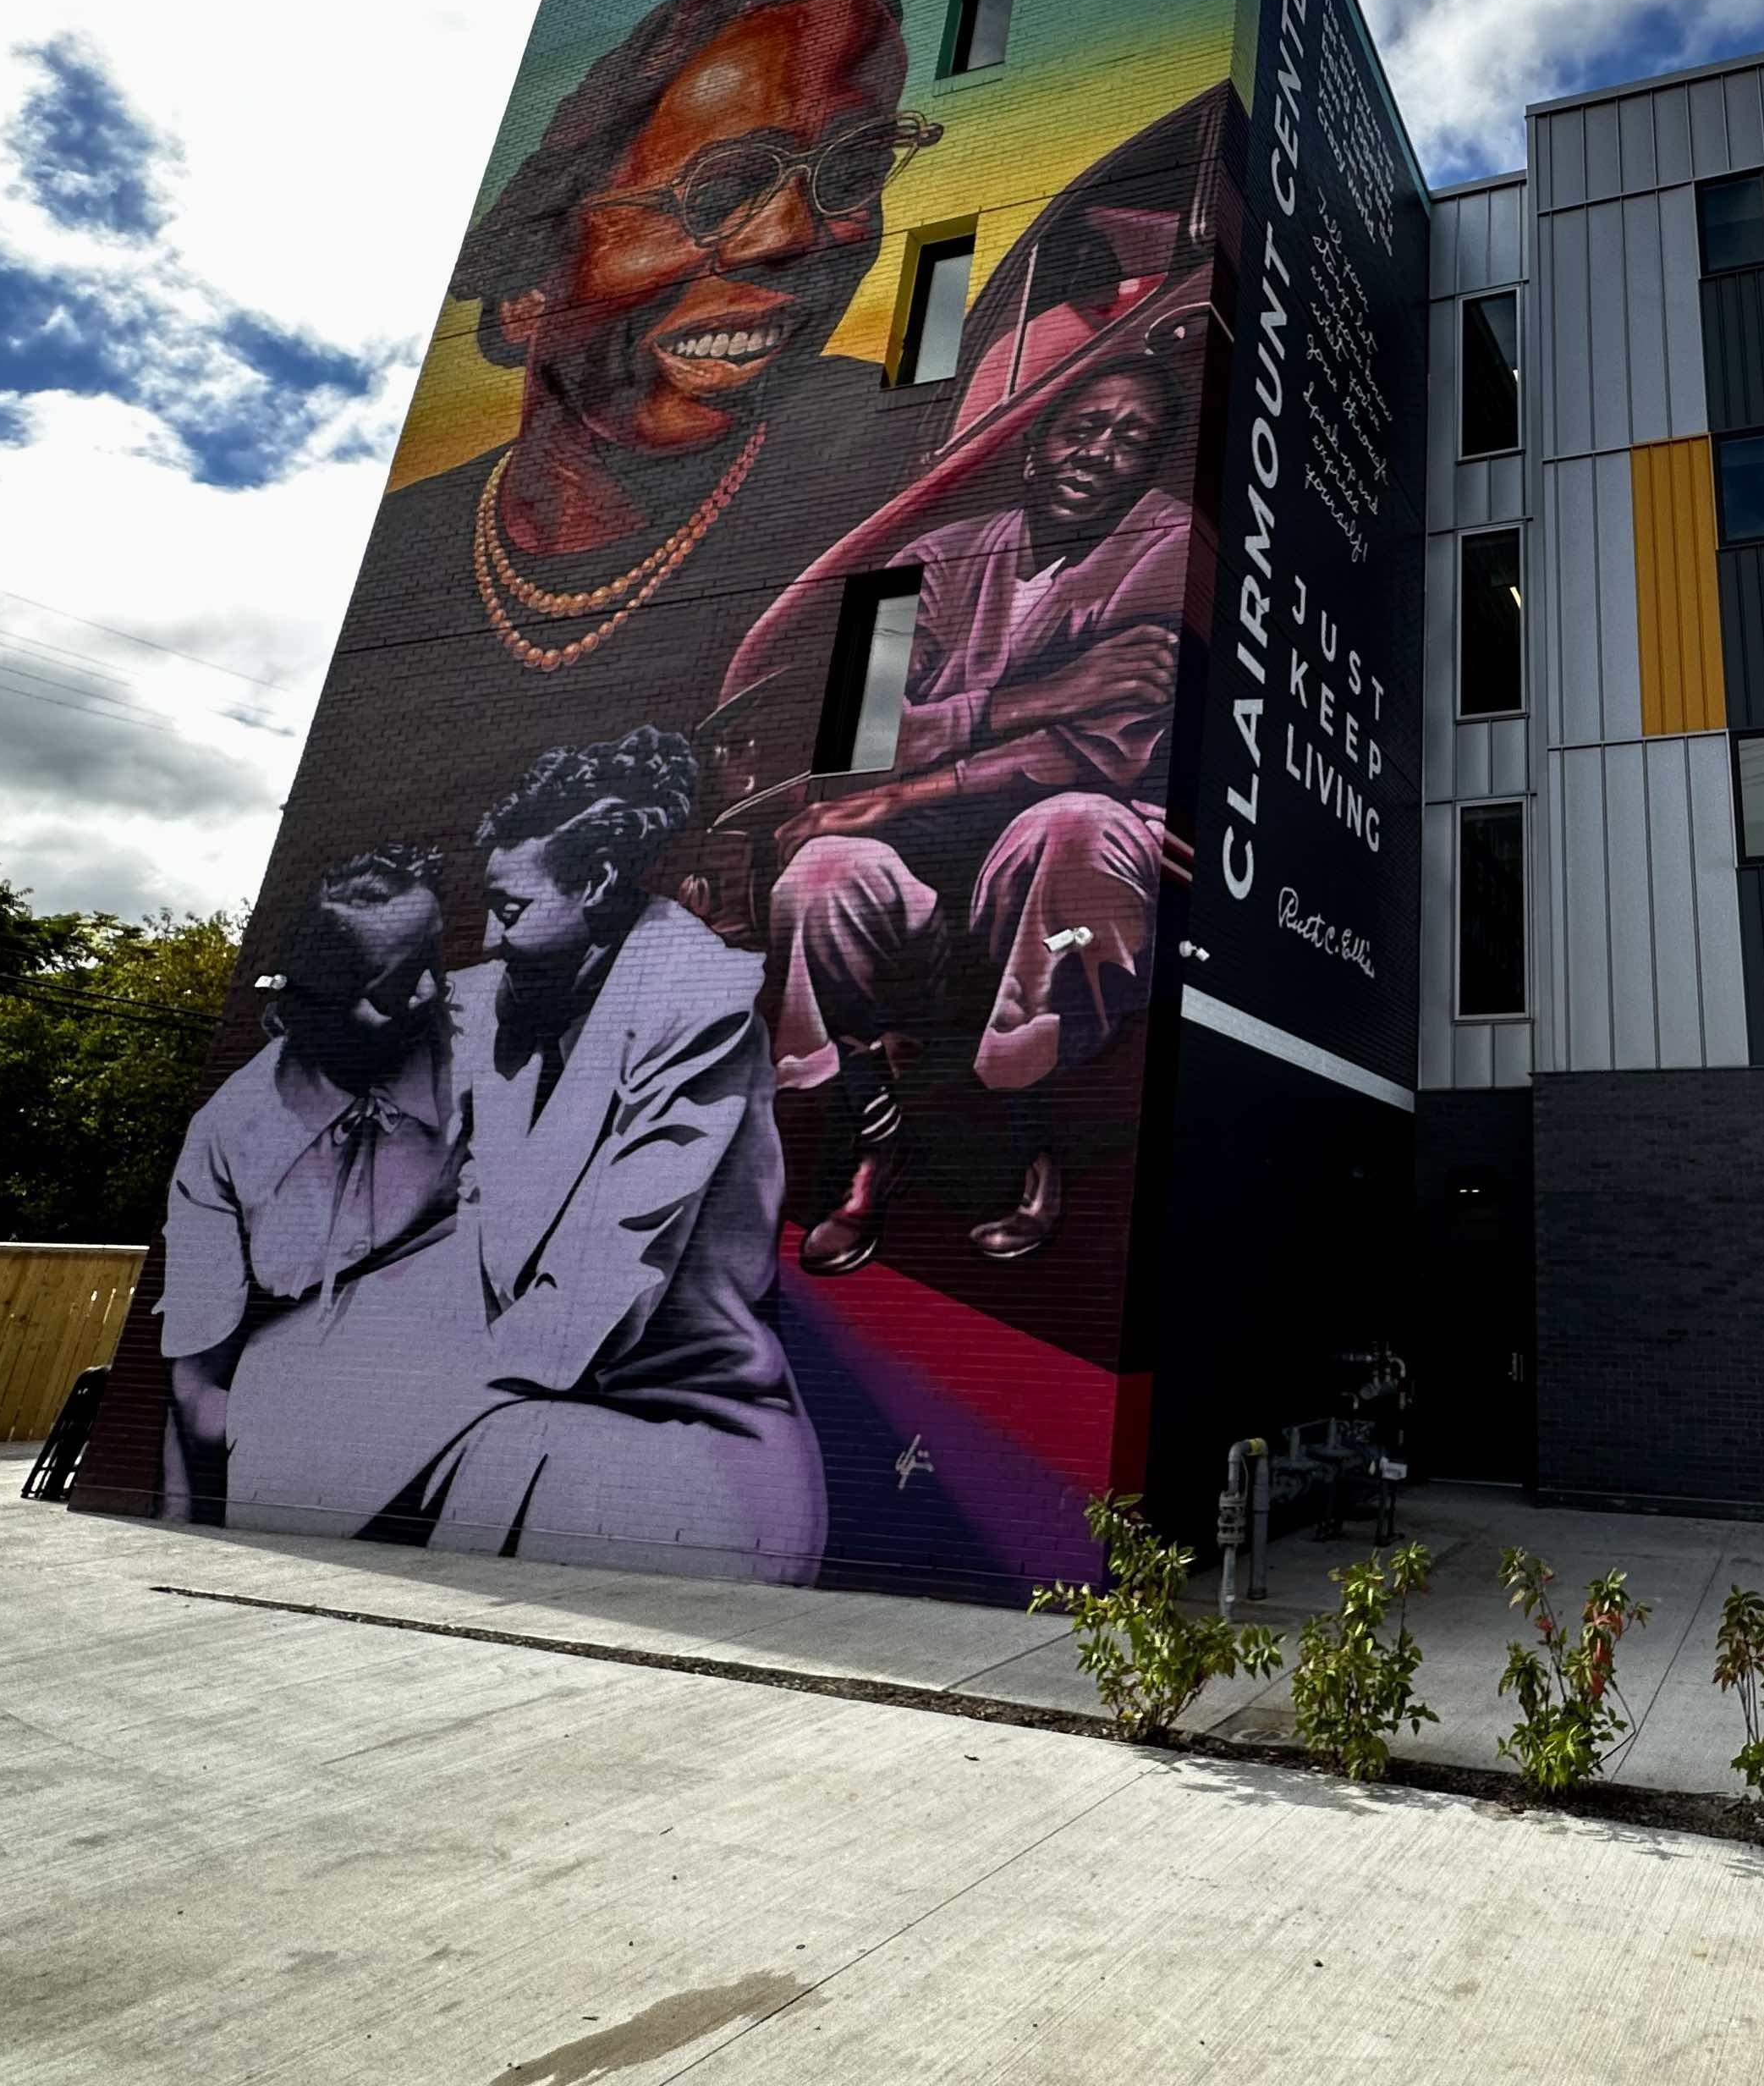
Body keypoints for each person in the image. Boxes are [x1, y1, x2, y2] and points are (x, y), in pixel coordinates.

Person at [235, 0, 941, 1008]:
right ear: (527, 288)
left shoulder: (897, 464)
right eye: (725, 186)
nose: (796, 235)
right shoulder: (402, 574)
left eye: (850, 168)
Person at [766, 344, 1203, 1269]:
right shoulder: (928, 555)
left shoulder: (1168, 549)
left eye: (1133, 440)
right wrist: (1040, 694)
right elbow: (855, 732)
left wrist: (906, 779)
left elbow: (1088, 754)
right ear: (1036, 444)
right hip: (919, 863)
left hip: (1053, 875)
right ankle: (876, 1144)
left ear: (1157, 462)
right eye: (1083, 428)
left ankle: (1028, 1137)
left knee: (1073, 823)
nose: (1099, 452)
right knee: (821, 874)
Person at [414, 727, 828, 1583]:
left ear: (598, 883)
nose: (488, 937)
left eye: (514, 910)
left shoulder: (699, 1008)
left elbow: (597, 1294)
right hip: (517, 1409)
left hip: (682, 1442)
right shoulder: (495, 998)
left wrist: (401, 1378)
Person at [151, 846, 465, 1527]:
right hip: (306, 1442)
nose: (430, 994)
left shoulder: (490, 1060)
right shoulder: (229, 1136)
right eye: (396, 983)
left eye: (432, 963)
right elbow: (200, 1385)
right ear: (318, 1004)